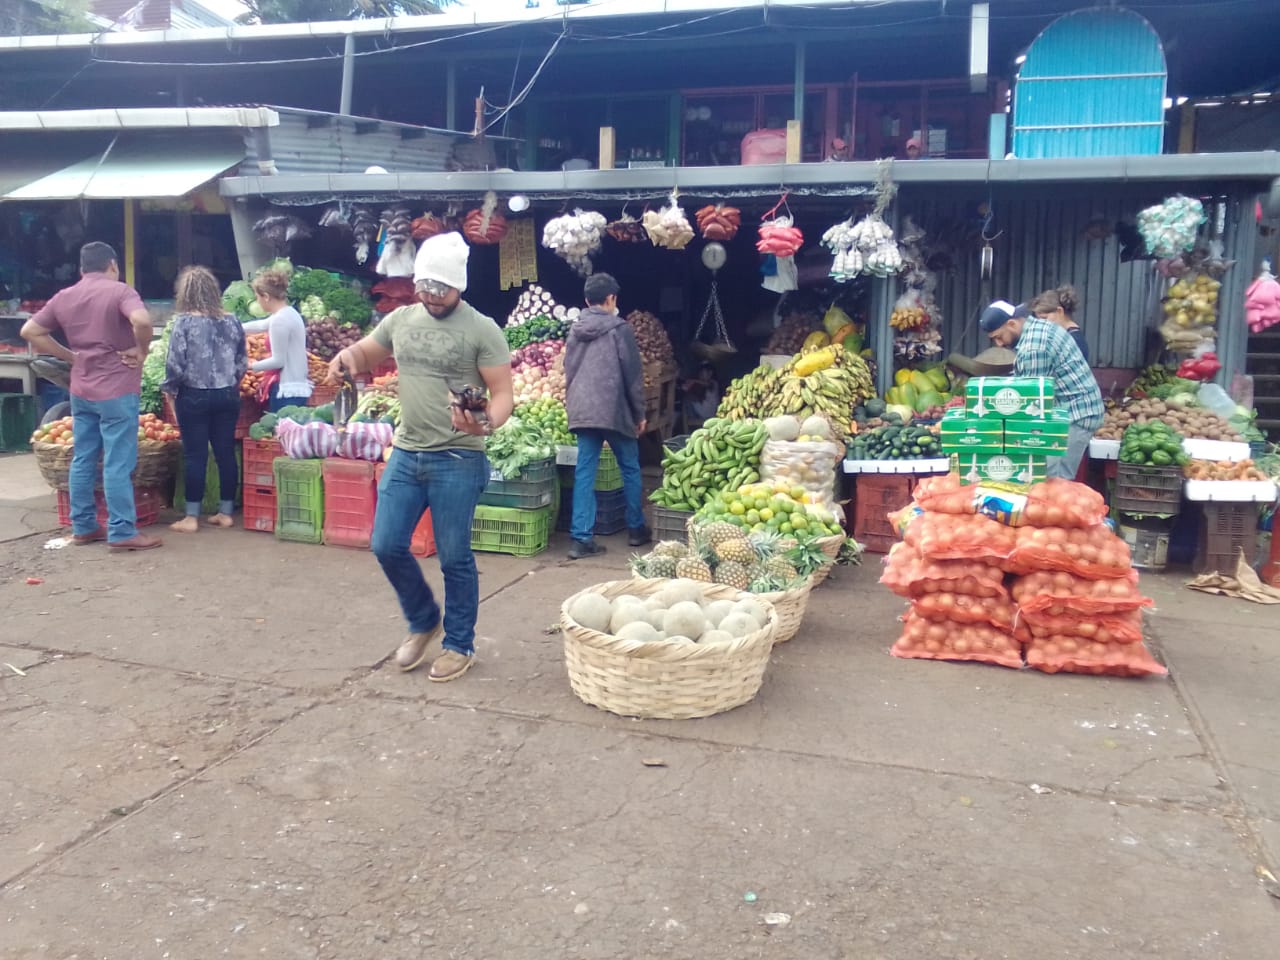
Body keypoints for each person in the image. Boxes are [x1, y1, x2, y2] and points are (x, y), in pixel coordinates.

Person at [326, 232, 513, 683]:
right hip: (407, 454)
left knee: (454, 557)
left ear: (459, 286)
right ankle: (424, 619)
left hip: (459, 459)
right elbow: (367, 352)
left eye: (440, 288)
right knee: (386, 544)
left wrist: (486, 422)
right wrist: (345, 359)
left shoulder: (483, 329)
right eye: (424, 286)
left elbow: (504, 394)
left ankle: (459, 643)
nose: (430, 296)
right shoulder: (401, 320)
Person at [20, 241, 161, 551]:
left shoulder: (65, 296)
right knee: (117, 462)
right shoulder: (121, 291)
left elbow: (30, 331)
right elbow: (142, 321)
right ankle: (122, 531)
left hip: (81, 389)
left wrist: (71, 356)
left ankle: (83, 525)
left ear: (82, 269)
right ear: (113, 265)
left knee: (83, 457)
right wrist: (141, 350)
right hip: (116, 389)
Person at [562, 273, 651, 560]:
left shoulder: (575, 329)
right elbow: (632, 375)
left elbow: (569, 369)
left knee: (585, 471)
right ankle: (636, 529)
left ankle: (581, 538)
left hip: (582, 408)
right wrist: (639, 412)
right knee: (629, 467)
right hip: (613, 409)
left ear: (587, 300)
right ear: (611, 299)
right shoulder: (619, 328)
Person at [161, 266, 249, 534]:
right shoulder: (232, 321)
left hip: (194, 395)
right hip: (226, 394)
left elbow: (175, 364)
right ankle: (225, 512)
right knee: (224, 453)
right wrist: (229, 382)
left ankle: (191, 517)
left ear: (185, 293)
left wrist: (170, 389)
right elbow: (242, 362)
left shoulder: (184, 323)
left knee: (195, 455)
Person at [980, 300, 1104, 480]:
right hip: (1069, 410)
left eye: (999, 337)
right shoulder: (1038, 327)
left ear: (1012, 324)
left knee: (1053, 481)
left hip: (1074, 415)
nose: (998, 344)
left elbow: (1030, 401)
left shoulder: (1034, 347)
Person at [243, 269, 310, 412]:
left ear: (266, 296)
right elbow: (261, 325)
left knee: (281, 432)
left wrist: (249, 366)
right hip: (297, 386)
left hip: (287, 391)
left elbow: (278, 361)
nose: (258, 302)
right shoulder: (289, 313)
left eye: (257, 298)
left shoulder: (280, 320)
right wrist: (233, 326)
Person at [1029, 285, 1088, 363]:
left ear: (1060, 312)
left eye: (1044, 318)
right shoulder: (1070, 337)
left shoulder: (1072, 341)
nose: (1041, 324)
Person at [681, 362, 721, 430]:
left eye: (702, 373)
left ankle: (687, 428)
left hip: (709, 413)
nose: (700, 375)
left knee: (687, 400)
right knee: (687, 399)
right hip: (703, 412)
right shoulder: (701, 385)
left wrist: (694, 381)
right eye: (700, 373)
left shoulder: (713, 383)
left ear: (710, 373)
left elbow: (707, 384)